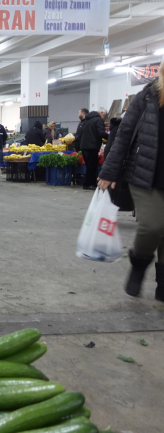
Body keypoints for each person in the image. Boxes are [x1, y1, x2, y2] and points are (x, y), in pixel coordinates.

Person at [98, 71, 164, 301]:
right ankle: (139, 264)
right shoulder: (147, 97)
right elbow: (124, 135)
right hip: (146, 175)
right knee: (152, 226)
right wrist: (109, 171)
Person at [79, 110, 105, 191]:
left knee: (88, 166)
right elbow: (101, 133)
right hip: (93, 146)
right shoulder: (98, 120)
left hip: (84, 146)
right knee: (92, 166)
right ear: (101, 113)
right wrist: (110, 137)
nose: (103, 117)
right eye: (104, 115)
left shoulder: (86, 121)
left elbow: (80, 134)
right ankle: (89, 184)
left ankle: (90, 183)